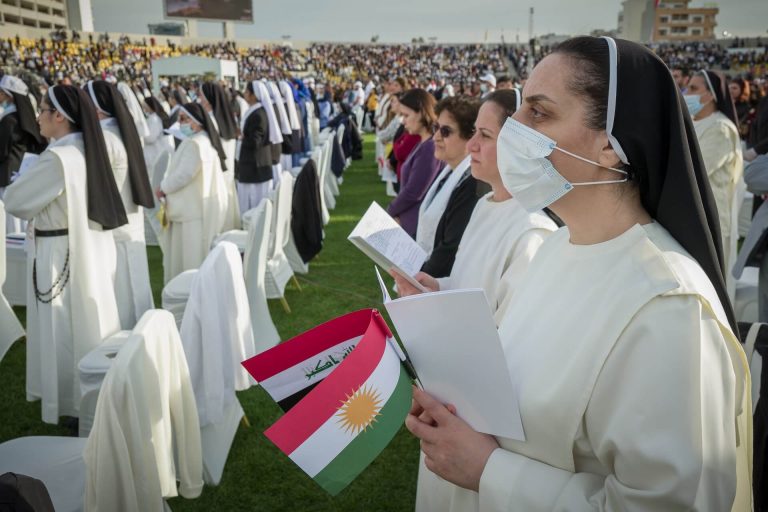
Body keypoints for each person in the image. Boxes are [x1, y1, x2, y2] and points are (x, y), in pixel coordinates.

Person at [408, 36, 750, 511]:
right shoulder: (555, 248)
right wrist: (457, 408)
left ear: (611, 146)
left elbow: (671, 503)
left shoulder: (669, 308)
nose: (512, 131)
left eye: (539, 113)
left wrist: (490, 471)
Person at [4, 84, 126, 424]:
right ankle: (80, 398)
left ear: (60, 115)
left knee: (63, 326)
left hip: (60, 251)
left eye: (43, 110)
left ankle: (70, 403)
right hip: (84, 244)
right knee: (81, 321)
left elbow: (15, 200)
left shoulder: (59, 157)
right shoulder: (87, 148)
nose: (38, 117)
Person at [397, 89, 557, 322]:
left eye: (485, 135)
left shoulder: (533, 234)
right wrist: (438, 287)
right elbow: (470, 283)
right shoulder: (484, 204)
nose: (471, 144)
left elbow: (509, 329)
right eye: (473, 132)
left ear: (519, 145)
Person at [85, 80, 155, 329]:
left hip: (117, 222)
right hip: (130, 218)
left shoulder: (104, 136)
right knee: (135, 285)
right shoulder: (121, 130)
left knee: (123, 292)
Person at [156, 102, 227, 283]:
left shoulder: (196, 144)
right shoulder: (201, 141)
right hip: (193, 209)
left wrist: (163, 187)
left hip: (189, 212)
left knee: (188, 262)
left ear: (196, 122)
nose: (180, 123)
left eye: (183, 119)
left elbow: (184, 174)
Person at [686, 70, 743, 291]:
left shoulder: (720, 128)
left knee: (709, 283)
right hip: (691, 211)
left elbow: (697, 170)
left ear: (710, 95)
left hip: (711, 215)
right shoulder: (692, 121)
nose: (686, 93)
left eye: (693, 89)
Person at [415, 95, 483, 277]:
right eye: (435, 128)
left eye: (446, 131)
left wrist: (419, 277)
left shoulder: (472, 185)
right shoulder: (450, 172)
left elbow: (451, 247)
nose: (436, 137)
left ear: (470, 137)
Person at [386, 89, 442, 237]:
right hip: (410, 220)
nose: (403, 121)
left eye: (406, 115)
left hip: (415, 225)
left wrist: (389, 211)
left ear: (422, 113)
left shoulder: (430, 147)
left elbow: (413, 192)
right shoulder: (422, 142)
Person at [0, 75, 45, 234]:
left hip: (7, 174)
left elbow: (2, 150)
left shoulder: (9, 120)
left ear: (8, 95)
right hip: (21, 171)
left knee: (9, 218)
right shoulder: (22, 118)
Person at [201, 81, 240, 230]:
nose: (200, 100)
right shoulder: (228, 116)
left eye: (202, 96)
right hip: (228, 169)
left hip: (218, 169)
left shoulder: (211, 119)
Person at [236, 80, 278, 214]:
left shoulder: (258, 115)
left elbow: (255, 141)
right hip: (252, 165)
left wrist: (241, 136)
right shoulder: (255, 112)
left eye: (247, 92)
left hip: (255, 167)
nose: (244, 94)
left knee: (255, 206)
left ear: (254, 95)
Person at [142, 95, 174, 171]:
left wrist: (142, 135)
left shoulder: (154, 119)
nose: (144, 108)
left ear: (150, 106)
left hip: (155, 152)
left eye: (145, 106)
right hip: (160, 150)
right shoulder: (158, 116)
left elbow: (150, 138)